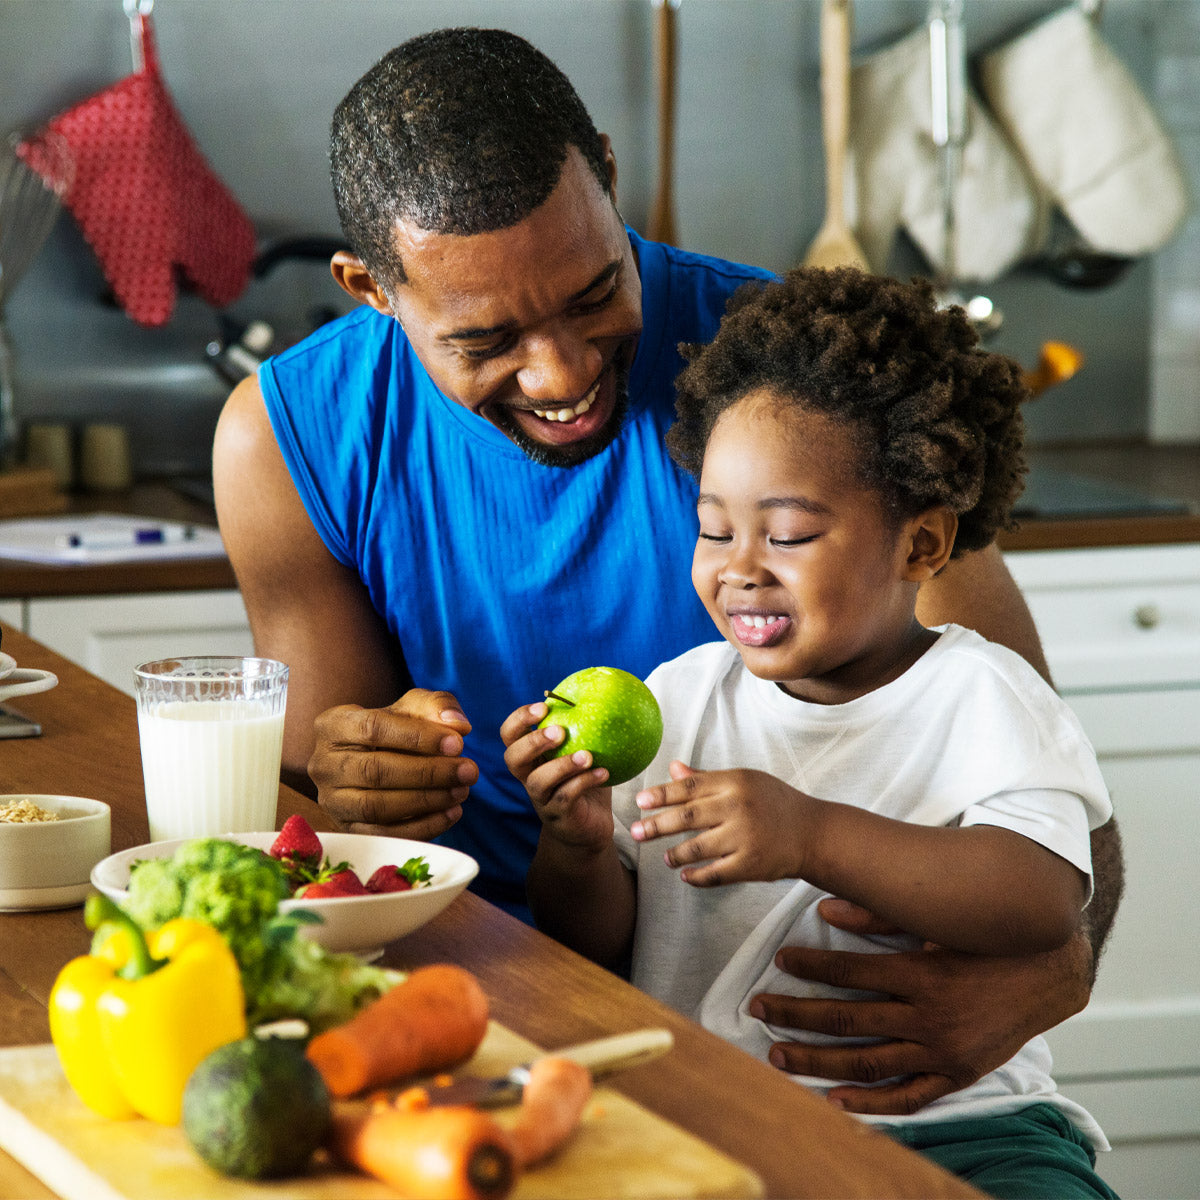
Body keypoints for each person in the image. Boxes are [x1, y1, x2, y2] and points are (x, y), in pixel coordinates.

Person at [213, 26, 1124, 1118]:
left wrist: (1050, 980)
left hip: (825, 1060)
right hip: (462, 1006)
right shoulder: (288, 439)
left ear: (607, 171)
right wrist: (353, 777)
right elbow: (326, 831)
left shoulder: (791, 387)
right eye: (486, 339)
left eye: (596, 292)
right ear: (373, 288)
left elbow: (1049, 786)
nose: (563, 372)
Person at [503, 265, 1118, 1198]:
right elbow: (599, 948)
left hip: (963, 1128)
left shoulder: (984, 697)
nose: (739, 571)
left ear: (921, 545)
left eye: (785, 535)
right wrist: (578, 847)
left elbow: (1040, 902)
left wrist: (811, 833)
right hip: (715, 1119)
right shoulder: (682, 699)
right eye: (715, 531)